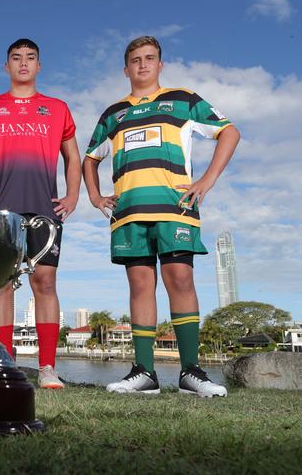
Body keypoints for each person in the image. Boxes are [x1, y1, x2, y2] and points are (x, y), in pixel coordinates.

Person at [83, 36, 240, 397]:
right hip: (128, 212)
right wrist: (94, 196)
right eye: (135, 60)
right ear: (126, 69)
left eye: (149, 58)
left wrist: (207, 179)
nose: (142, 64)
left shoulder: (183, 100)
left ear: (160, 64)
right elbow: (90, 158)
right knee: (140, 286)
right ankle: (145, 373)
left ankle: (190, 373)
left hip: (175, 207)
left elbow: (229, 132)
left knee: (180, 279)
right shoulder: (113, 113)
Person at [0, 39, 81, 389]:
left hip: (45, 208)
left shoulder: (57, 108)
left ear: (39, 66)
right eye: (16, 58)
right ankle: (7, 365)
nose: (23, 63)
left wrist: (73, 195)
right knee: (2, 285)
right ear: (7, 66)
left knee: (44, 282)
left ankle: (47, 368)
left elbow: (73, 157)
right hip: (1, 209)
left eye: (30, 58)